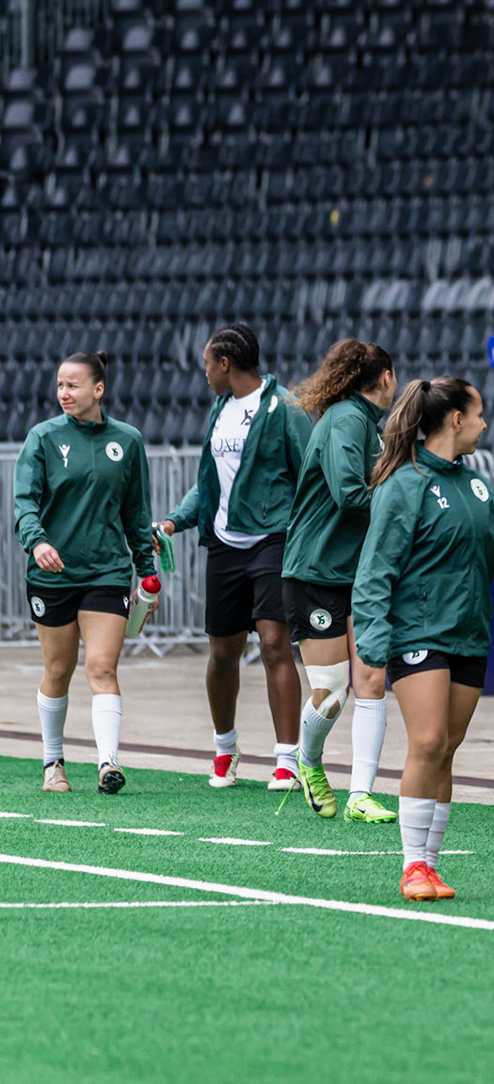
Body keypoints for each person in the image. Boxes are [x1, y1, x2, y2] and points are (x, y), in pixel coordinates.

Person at [353, 377, 494, 902]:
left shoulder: (475, 485)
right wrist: (373, 637)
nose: (484, 423)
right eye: (479, 414)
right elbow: (375, 570)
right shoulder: (402, 485)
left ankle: (431, 865)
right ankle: (410, 866)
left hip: (470, 634)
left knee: (446, 751)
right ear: (455, 419)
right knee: (426, 742)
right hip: (417, 633)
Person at [155, 324, 310, 791]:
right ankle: (225, 748)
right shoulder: (219, 409)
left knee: (273, 644)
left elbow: (309, 472)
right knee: (223, 651)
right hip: (223, 543)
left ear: (225, 364)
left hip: (272, 539)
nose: (204, 373)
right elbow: (209, 482)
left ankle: (287, 759)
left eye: (207, 364)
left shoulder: (285, 407)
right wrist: (174, 520)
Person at [13, 352, 155, 794]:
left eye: (73, 385)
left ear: (99, 389)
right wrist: (37, 541)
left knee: (102, 667)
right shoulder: (42, 437)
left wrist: (147, 574)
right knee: (58, 668)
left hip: (107, 572)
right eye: (59, 385)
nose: (63, 394)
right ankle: (52, 763)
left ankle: (107, 764)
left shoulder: (127, 441)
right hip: (52, 576)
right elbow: (24, 503)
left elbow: (137, 513)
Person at [282, 339, 399, 823]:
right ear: (387, 378)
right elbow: (350, 493)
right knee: (331, 692)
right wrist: (402, 506)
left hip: (360, 575)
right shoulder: (347, 419)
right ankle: (307, 761)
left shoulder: (368, 424)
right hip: (316, 570)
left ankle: (360, 795)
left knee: (372, 680)